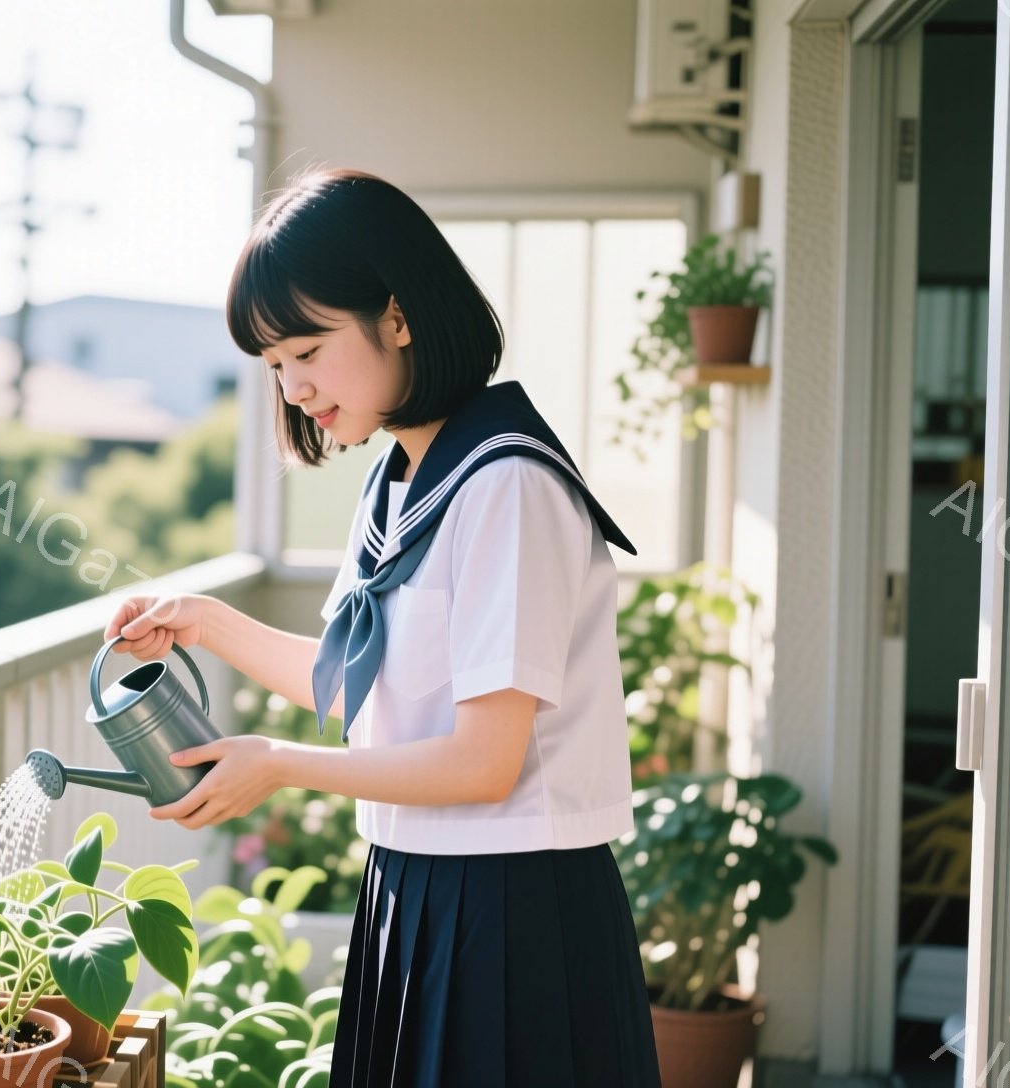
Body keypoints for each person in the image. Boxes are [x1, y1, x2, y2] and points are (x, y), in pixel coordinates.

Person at [103, 168, 663, 1087]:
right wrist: (205, 623)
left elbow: (484, 764)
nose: (294, 386)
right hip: (416, 881)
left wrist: (278, 763)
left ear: (397, 317)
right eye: (274, 364)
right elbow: (359, 679)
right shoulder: (400, 477)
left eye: (307, 349)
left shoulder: (506, 485)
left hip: (513, 905)